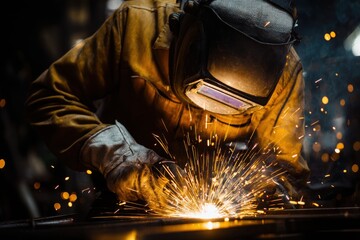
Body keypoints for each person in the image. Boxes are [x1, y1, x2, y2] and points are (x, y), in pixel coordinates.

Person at [25, 0, 310, 213]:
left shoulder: (284, 73)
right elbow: (49, 95)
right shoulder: (137, 24)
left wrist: (247, 192)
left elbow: (285, 171)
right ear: (183, 28)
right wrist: (117, 156)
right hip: (123, 207)